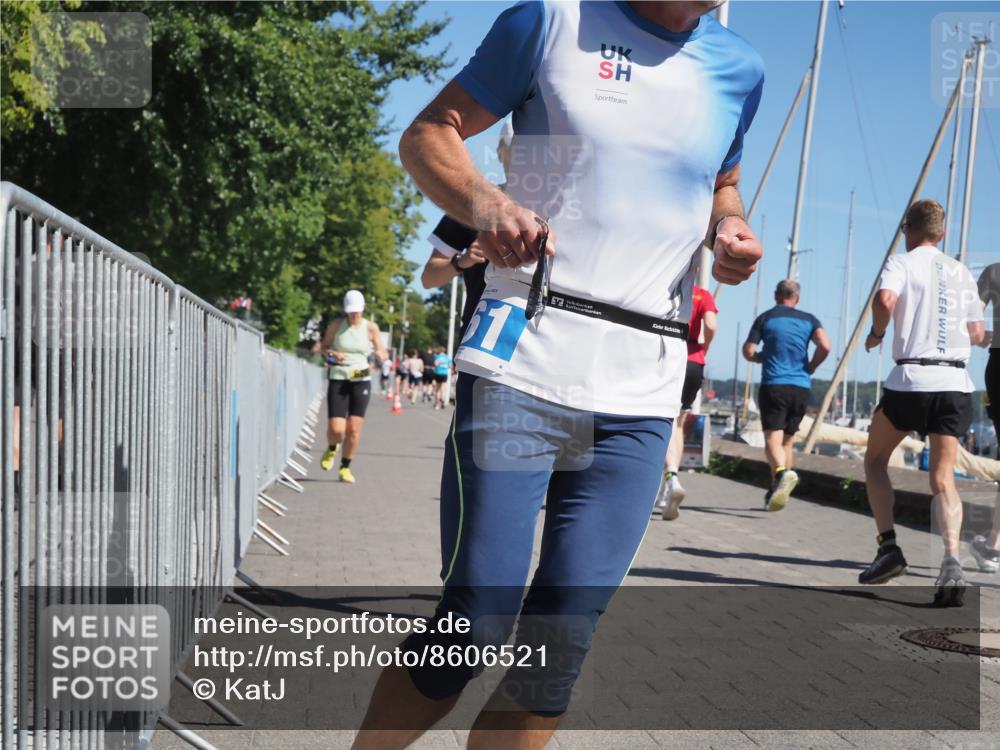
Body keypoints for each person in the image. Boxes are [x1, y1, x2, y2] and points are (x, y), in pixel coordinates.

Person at [352, 2, 764, 748]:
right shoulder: (550, 21)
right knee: (475, 624)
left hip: (642, 388)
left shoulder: (740, 68)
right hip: (526, 359)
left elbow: (721, 180)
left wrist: (726, 225)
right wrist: (485, 203)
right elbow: (427, 134)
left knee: (559, 647)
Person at [857, 199, 984, 606]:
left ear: (907, 229)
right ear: (942, 233)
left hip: (911, 379)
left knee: (875, 460)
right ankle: (950, 562)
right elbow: (977, 330)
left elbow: (885, 301)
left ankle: (888, 547)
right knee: (943, 480)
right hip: (954, 383)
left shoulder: (902, 261)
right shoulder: (962, 272)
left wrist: (878, 333)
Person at [742, 280, 830, 511]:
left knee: (773, 438)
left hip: (774, 385)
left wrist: (760, 357)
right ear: (797, 298)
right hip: (801, 387)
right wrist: (812, 366)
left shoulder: (765, 318)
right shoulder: (810, 319)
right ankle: (776, 491)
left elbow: (749, 351)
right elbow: (825, 346)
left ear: (776, 295)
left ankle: (781, 474)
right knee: (787, 441)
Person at [655, 284, 718, 520]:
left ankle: (668, 480)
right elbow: (710, 325)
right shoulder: (704, 294)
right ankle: (670, 480)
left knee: (662, 419)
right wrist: (705, 347)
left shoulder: (665, 287)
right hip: (694, 361)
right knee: (678, 423)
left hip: (668, 356)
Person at [318, 290, 388, 483]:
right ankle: (332, 448)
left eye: (357, 311)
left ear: (363, 309)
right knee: (337, 428)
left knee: (354, 429)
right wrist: (332, 353)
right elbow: (323, 348)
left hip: (361, 377)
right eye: (350, 311)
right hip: (339, 377)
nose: (354, 315)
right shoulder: (336, 325)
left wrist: (382, 354)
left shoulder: (370, 327)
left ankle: (345, 467)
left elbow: (381, 348)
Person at [970, 262, 1000, 572]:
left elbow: (971, 323)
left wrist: (986, 335)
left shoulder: (993, 272)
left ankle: (994, 547)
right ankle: (993, 546)